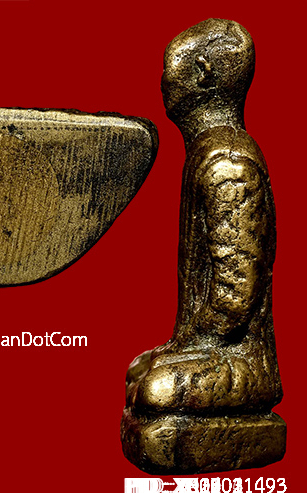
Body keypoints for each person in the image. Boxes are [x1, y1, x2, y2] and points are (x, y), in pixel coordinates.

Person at [126, 18, 282, 413]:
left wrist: (190, 343)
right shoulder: (207, 152)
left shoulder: (227, 163)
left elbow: (235, 297)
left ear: (202, 73)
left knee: (155, 389)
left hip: (242, 361)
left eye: (167, 68)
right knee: (139, 372)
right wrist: (180, 344)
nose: (163, 82)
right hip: (203, 343)